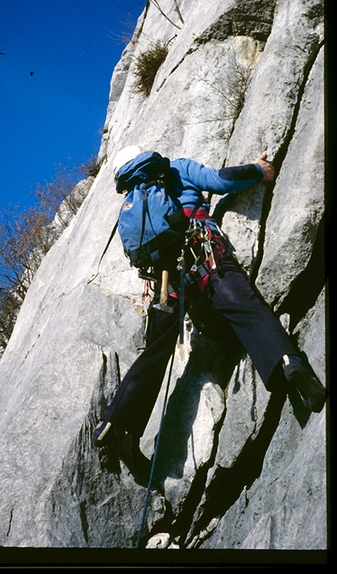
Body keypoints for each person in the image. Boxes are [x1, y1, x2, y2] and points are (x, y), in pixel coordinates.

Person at [93, 146, 327, 472]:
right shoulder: (177, 169)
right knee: (244, 306)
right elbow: (221, 181)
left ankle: (116, 424)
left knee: (156, 349)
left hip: (166, 280)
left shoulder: (134, 198)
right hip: (202, 251)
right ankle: (287, 363)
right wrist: (260, 169)